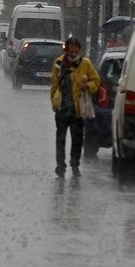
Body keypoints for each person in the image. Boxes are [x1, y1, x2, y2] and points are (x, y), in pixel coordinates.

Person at [50, 37, 100, 178]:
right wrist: (54, 102)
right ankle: (60, 165)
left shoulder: (86, 64)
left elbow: (96, 81)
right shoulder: (59, 63)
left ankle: (75, 165)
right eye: (71, 51)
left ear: (79, 50)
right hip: (62, 109)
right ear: (66, 50)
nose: (73, 54)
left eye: (76, 51)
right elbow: (54, 85)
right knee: (60, 140)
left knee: (77, 140)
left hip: (78, 111)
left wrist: (88, 86)